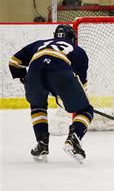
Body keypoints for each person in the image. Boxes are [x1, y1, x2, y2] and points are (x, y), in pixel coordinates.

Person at [8, 24, 94, 164]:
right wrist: (74, 99)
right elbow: (81, 84)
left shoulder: (40, 43)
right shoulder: (78, 51)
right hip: (61, 72)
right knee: (86, 109)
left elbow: (14, 62)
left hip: (34, 72)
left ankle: (42, 143)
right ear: (72, 38)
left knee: (37, 105)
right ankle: (74, 138)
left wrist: (25, 79)